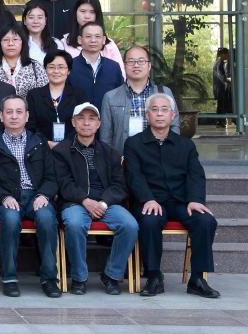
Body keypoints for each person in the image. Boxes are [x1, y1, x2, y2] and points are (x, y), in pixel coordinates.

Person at [125, 93, 219, 298]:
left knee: (205, 220)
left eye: (164, 109)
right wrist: (147, 198)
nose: (159, 114)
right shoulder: (134, 144)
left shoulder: (186, 145)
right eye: (154, 110)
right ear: (147, 115)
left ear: (173, 115)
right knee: (149, 220)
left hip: (181, 202)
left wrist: (195, 200)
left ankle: (197, 279)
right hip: (150, 201)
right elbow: (134, 176)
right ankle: (153, 277)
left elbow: (196, 175)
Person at [0, 95, 60, 298]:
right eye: (9, 112)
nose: (14, 116)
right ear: (1, 116)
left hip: (36, 196)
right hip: (6, 198)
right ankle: (9, 278)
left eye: (19, 112)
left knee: (46, 217)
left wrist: (44, 195)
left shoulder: (39, 142)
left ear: (27, 116)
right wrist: (4, 197)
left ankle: (50, 279)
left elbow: (52, 177)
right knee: (10, 218)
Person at [54, 102, 138, 295]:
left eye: (91, 119)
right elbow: (63, 184)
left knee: (130, 225)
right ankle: (79, 277)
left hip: (106, 203)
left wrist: (103, 203)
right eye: (81, 119)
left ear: (98, 124)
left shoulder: (110, 152)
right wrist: (85, 200)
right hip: (75, 202)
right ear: (73, 122)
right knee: (75, 224)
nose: (86, 123)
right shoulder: (61, 151)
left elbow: (119, 185)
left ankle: (111, 275)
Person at [100, 45, 179, 154]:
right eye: (131, 61)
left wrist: (170, 152)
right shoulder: (110, 97)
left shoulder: (164, 92)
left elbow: (174, 126)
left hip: (158, 155)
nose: (136, 65)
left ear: (149, 65)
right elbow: (105, 136)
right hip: (123, 157)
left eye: (141, 61)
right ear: (124, 65)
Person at [26, 51, 88, 146]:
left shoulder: (79, 95)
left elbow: (83, 123)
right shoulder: (34, 95)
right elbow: (30, 126)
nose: (56, 71)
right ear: (45, 69)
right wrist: (46, 143)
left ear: (68, 71)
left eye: (61, 67)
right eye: (51, 67)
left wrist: (66, 145)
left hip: (73, 148)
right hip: (42, 148)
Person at [57, 0, 124, 77]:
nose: (87, 16)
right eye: (83, 11)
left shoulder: (109, 45)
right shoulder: (63, 43)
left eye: (92, 12)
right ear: (75, 13)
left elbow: (120, 75)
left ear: (97, 15)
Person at [66, 22, 125, 108]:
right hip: (77, 116)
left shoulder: (113, 67)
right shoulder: (69, 66)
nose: (93, 40)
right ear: (79, 39)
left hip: (107, 116)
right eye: (88, 36)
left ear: (104, 40)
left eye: (97, 36)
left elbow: (121, 96)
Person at [0, 23, 48, 98]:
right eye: (6, 40)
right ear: (0, 43)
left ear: (23, 42)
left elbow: (45, 95)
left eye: (15, 39)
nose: (10, 43)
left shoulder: (35, 67)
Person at [213, 48, 233, 126]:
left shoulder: (217, 62)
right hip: (220, 88)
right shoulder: (220, 63)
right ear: (222, 54)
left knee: (220, 105)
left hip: (217, 87)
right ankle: (220, 122)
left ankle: (220, 122)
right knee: (222, 106)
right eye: (227, 54)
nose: (228, 56)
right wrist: (230, 80)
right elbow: (222, 77)